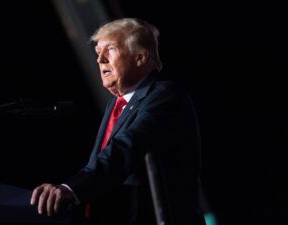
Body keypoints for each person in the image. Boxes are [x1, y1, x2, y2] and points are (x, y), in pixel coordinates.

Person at [30, 18, 205, 225]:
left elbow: (125, 149)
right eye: (98, 52)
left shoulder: (165, 95)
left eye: (110, 49)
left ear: (140, 57)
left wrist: (71, 188)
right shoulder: (116, 104)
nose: (100, 59)